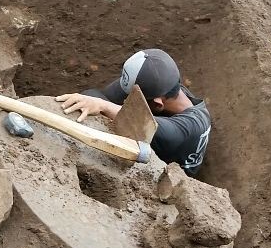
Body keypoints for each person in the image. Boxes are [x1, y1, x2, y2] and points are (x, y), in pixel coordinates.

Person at [56, 49, 211, 175]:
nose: (125, 101)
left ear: (157, 104)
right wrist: (98, 102)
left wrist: (104, 106)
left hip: (166, 175)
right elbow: (98, 96)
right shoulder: (166, 86)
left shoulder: (190, 128)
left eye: (132, 99)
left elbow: (148, 124)